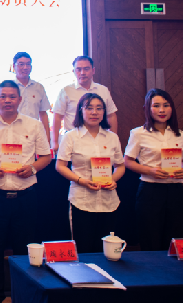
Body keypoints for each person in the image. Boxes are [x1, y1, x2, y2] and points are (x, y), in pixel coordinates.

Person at [0, 80, 52, 303]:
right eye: (3, 96)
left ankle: (24, 295)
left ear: (20, 99)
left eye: (12, 96)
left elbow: (46, 156)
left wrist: (32, 168)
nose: (7, 100)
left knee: (24, 250)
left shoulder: (34, 125)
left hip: (25, 196)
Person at [55, 93, 125, 253]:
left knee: (106, 251)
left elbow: (120, 166)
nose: (94, 112)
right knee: (84, 250)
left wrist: (113, 180)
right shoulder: (71, 136)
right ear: (81, 111)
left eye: (99, 108)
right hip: (82, 201)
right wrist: (81, 181)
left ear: (104, 112)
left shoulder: (112, 137)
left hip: (108, 201)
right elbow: (60, 166)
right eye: (89, 108)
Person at [124, 88, 183, 251]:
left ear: (171, 108)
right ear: (147, 108)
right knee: (150, 241)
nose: (162, 110)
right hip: (150, 191)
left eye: (166, 105)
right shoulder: (138, 133)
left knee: (174, 241)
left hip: (176, 191)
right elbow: (128, 161)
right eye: (156, 106)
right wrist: (149, 171)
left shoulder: (180, 134)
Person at [52, 56, 117, 152]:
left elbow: (111, 115)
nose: (82, 73)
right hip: (73, 139)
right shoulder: (66, 91)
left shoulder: (103, 90)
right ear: (74, 71)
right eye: (78, 69)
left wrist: (113, 139)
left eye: (86, 69)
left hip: (99, 139)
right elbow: (57, 117)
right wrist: (55, 142)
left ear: (93, 70)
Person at [7, 52, 51, 143]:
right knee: (11, 153)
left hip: (33, 135)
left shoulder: (38, 87)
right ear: (14, 66)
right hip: (11, 135)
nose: (25, 67)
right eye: (21, 64)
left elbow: (43, 114)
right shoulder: (7, 87)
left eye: (28, 64)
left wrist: (47, 138)